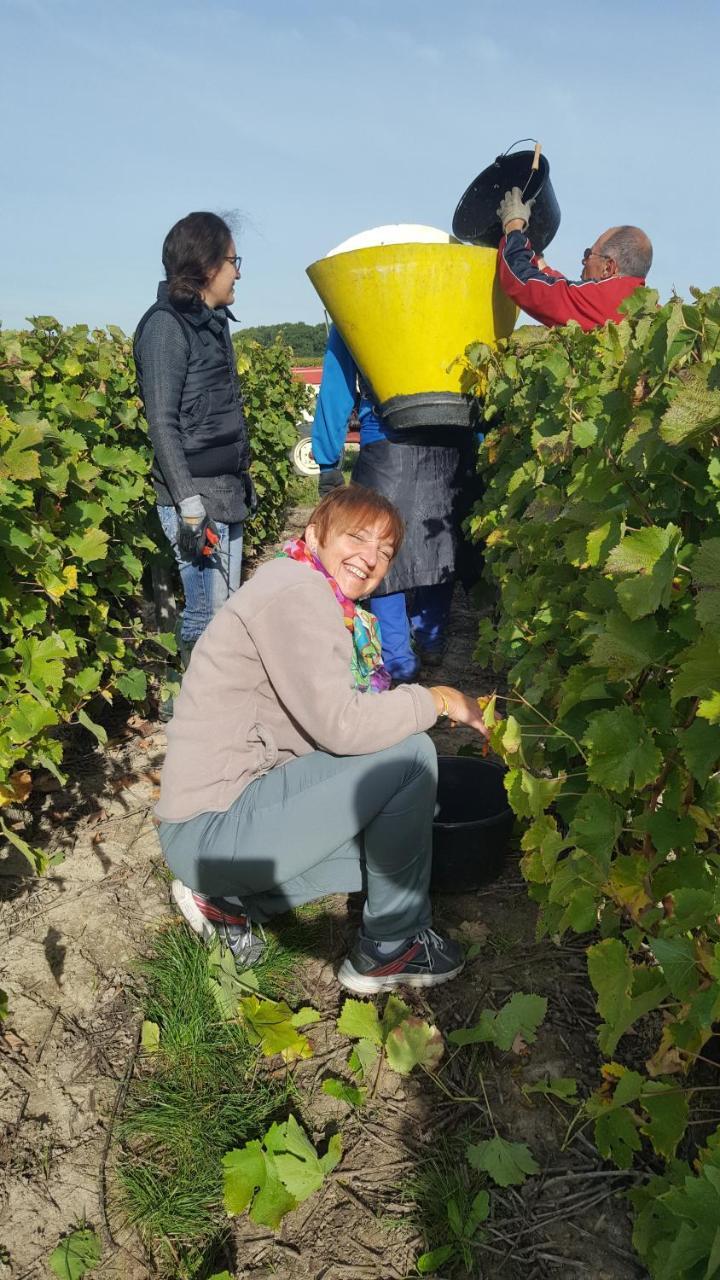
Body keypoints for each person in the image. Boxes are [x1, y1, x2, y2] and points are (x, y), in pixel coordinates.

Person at [155, 484, 490, 995]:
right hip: (213, 826)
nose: (371, 558)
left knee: (396, 847)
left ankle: (226, 902)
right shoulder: (297, 593)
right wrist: (437, 699)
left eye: (385, 549)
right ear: (314, 534)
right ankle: (391, 947)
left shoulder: (312, 594)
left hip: (227, 819)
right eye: (357, 538)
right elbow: (344, 726)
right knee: (411, 756)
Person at [312, 325, 476, 682]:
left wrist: (328, 459)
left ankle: (398, 657)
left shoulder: (364, 284)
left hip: (386, 438)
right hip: (452, 432)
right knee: (440, 542)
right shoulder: (457, 285)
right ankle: (431, 638)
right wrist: (477, 438)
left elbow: (338, 378)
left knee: (379, 547)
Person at [134, 211, 254, 670]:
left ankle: (214, 709)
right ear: (207, 266)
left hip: (226, 491)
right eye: (232, 259)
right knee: (207, 615)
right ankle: (190, 710)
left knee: (227, 613)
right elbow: (162, 423)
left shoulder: (212, 321)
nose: (238, 270)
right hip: (197, 499)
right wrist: (188, 505)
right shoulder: (166, 327)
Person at [496, 187, 653, 331]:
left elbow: (525, 284)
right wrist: (536, 257)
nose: (584, 262)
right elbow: (565, 293)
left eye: (588, 254)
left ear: (608, 267)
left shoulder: (604, 299)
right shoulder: (643, 305)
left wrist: (513, 227)